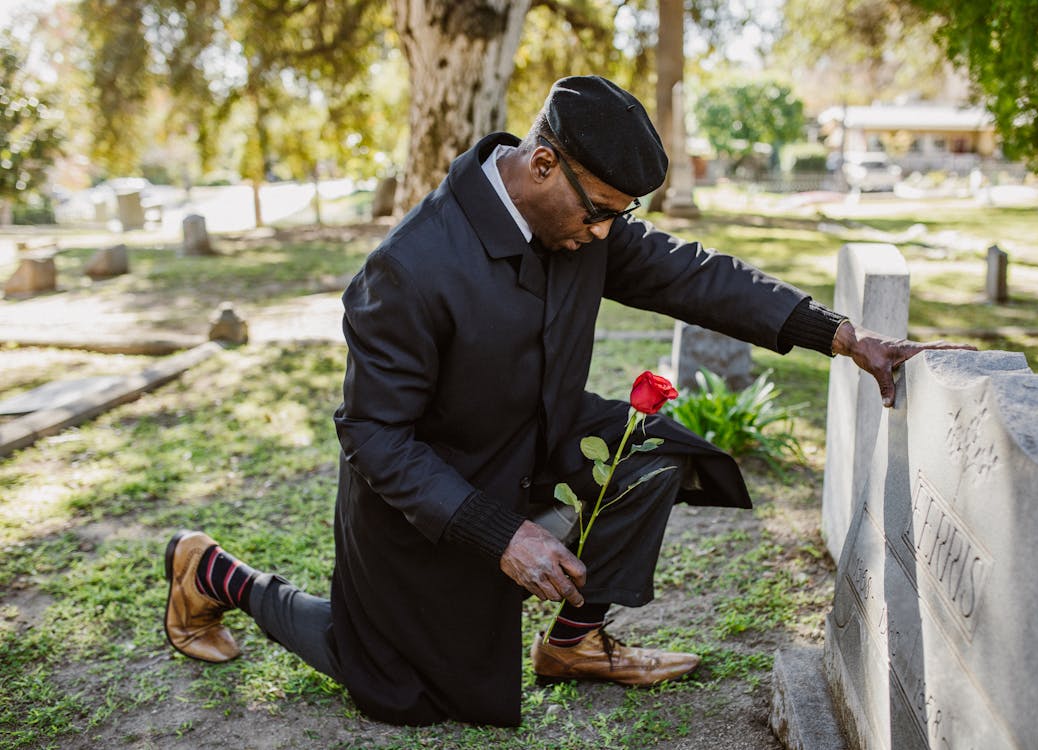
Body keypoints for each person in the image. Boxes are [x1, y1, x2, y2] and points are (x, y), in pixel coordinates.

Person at [163, 75, 968, 727]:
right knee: (403, 692)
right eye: (600, 212)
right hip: (427, 500)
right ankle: (213, 571)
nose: (604, 233)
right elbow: (374, 437)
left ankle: (574, 644)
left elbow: (693, 275)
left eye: (620, 218)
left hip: (535, 437)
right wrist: (500, 533)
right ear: (542, 164)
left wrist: (838, 334)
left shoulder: (580, 224)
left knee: (654, 454)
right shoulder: (409, 270)